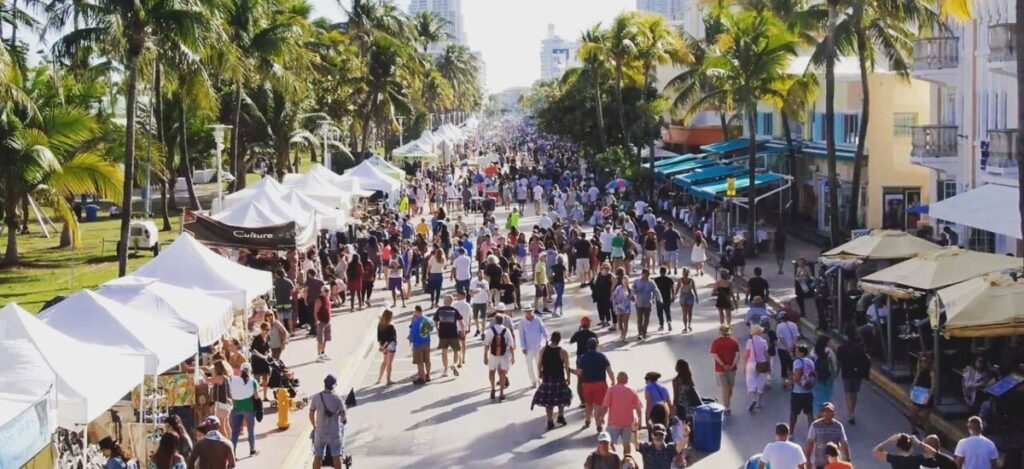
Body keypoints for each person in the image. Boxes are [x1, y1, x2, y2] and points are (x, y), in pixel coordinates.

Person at [531, 331, 573, 431]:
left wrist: (539, 373)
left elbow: (539, 363)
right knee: (561, 398)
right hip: (559, 378)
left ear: (551, 338)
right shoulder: (563, 352)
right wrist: (568, 378)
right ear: (559, 340)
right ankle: (561, 416)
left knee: (548, 401)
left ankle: (550, 421)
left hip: (547, 378)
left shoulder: (544, 350)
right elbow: (567, 366)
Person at [310, 374, 347, 469]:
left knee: (318, 455)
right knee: (336, 455)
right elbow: (343, 414)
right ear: (334, 386)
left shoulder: (316, 397)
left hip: (320, 431)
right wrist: (341, 418)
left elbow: (311, 413)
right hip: (334, 432)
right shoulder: (337, 398)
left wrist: (314, 426)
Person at [578, 337, 614, 431]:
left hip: (587, 385)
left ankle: (587, 420)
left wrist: (570, 370)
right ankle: (599, 425)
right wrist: (613, 382)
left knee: (588, 404)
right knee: (598, 405)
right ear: (596, 346)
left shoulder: (583, 357)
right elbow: (610, 371)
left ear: (587, 347)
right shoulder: (602, 357)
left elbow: (579, 372)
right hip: (600, 384)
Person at [835, 329, 871, 424]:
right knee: (854, 392)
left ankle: (850, 413)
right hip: (857, 373)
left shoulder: (841, 348)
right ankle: (852, 411)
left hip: (846, 372)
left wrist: (837, 372)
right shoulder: (860, 348)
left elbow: (838, 362)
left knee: (848, 392)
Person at [603, 372, 643, 455]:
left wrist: (602, 417)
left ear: (617, 379)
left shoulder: (611, 389)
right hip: (628, 423)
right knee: (627, 445)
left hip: (613, 422)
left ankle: (613, 459)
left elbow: (605, 406)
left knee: (609, 443)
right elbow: (638, 408)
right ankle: (627, 461)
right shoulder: (632, 390)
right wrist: (640, 420)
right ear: (627, 380)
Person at [805, 402, 850, 469]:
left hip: (834, 464)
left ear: (834, 413)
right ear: (821, 413)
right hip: (820, 463)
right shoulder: (815, 425)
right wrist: (808, 460)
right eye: (824, 411)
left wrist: (847, 459)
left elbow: (844, 443)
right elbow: (810, 443)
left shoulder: (838, 426)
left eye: (830, 411)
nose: (827, 413)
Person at [228, 363, 259, 457]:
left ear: (241, 370)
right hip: (249, 408)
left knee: (235, 431)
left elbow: (231, 394)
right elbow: (256, 396)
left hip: (236, 408)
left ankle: (233, 453)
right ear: (250, 371)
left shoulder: (233, 380)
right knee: (250, 430)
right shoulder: (253, 381)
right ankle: (252, 450)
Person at [484, 314, 516, 401]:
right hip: (504, 354)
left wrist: (485, 356)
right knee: (502, 373)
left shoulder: (490, 330)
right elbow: (511, 346)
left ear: (495, 321)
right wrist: (513, 357)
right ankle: (501, 392)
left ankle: (493, 388)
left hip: (493, 354)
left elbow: (486, 344)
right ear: (503, 321)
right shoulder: (506, 330)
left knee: (491, 372)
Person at [710, 324, 740, 415]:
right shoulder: (734, 342)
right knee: (730, 387)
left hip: (720, 369)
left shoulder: (716, 342)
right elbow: (737, 355)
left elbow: (715, 355)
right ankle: (727, 405)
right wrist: (732, 365)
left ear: (720, 332)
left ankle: (726, 405)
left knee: (724, 388)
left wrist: (723, 365)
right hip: (732, 369)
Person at [434, 295, 465, 378]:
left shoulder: (439, 310)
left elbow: (436, 321)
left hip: (443, 334)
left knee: (444, 352)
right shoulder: (454, 310)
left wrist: (437, 330)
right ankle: (454, 364)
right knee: (456, 351)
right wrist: (463, 331)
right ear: (451, 302)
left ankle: (445, 370)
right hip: (453, 333)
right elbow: (461, 322)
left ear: (445, 301)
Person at [519, 306, 549, 388]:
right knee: (529, 366)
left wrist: (547, 338)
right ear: (524, 312)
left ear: (532, 311)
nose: (528, 312)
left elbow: (543, 329)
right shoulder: (522, 322)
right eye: (526, 311)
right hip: (528, 348)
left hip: (538, 346)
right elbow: (521, 335)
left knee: (539, 364)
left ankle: (540, 379)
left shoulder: (537, 320)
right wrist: (523, 347)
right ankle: (533, 381)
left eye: (529, 311)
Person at [871, 433, 940, 469]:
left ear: (898, 447)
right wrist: (918, 442)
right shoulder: (918, 460)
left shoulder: (894, 459)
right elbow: (933, 452)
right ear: (911, 449)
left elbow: (876, 451)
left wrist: (890, 440)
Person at [790, 344, 816, 435]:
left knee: (794, 413)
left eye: (797, 351)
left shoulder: (797, 362)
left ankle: (791, 433)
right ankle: (812, 434)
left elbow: (797, 377)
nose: (795, 353)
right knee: (809, 413)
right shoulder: (811, 362)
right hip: (808, 391)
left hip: (797, 392)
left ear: (802, 352)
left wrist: (788, 382)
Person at [909, 353, 938, 434]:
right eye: (921, 361)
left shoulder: (932, 372)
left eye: (924, 361)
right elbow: (915, 380)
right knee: (912, 414)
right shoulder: (919, 370)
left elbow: (933, 386)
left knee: (925, 418)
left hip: (926, 395)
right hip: (917, 393)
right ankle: (914, 430)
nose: (922, 363)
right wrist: (912, 390)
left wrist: (929, 396)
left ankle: (928, 435)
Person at [632, 268, 663, 340]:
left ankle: (644, 332)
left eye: (648, 274)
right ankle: (639, 333)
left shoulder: (651, 283)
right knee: (639, 319)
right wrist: (635, 291)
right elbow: (632, 290)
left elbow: (656, 291)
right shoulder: (637, 281)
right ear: (642, 274)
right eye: (646, 274)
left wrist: (659, 299)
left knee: (646, 319)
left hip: (647, 304)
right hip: (639, 303)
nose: (647, 275)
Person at [745, 325, 770, 412]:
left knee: (750, 381)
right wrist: (768, 364)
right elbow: (766, 354)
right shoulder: (764, 342)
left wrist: (744, 365)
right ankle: (759, 402)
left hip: (751, 363)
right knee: (761, 382)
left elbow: (747, 354)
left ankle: (753, 399)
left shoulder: (749, 341)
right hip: (762, 363)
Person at [811, 336, 838, 413]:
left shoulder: (813, 351)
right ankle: (827, 412)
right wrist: (835, 375)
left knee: (817, 395)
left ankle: (818, 413)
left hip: (816, 376)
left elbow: (810, 364)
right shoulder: (829, 351)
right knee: (828, 394)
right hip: (828, 376)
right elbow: (834, 364)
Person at [671, 359, 702, 427]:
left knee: (682, 427)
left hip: (681, 407)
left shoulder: (676, 380)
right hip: (690, 407)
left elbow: (676, 396)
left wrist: (673, 408)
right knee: (690, 426)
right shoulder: (688, 379)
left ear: (678, 368)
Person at [408, 305, 433, 385]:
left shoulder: (416, 322)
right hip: (427, 342)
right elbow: (431, 329)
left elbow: (413, 333)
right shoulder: (428, 320)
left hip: (418, 343)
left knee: (420, 361)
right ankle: (428, 375)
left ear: (417, 311)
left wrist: (410, 338)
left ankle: (422, 378)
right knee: (427, 360)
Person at [776, 312, 801, 388]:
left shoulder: (779, 326)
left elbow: (781, 338)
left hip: (783, 349)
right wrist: (792, 346)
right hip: (793, 348)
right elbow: (796, 336)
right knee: (792, 365)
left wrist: (787, 347)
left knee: (784, 365)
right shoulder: (793, 325)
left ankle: (785, 382)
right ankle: (793, 381)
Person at [250, 323, 272, 400]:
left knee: (266, 379)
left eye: (269, 329)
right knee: (257, 380)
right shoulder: (257, 339)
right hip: (257, 362)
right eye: (266, 330)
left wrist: (269, 353)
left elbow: (269, 347)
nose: (268, 331)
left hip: (265, 361)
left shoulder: (268, 337)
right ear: (262, 330)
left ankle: (265, 396)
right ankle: (256, 396)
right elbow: (253, 350)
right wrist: (262, 356)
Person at [376, 309, 397, 386]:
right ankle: (388, 380)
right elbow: (390, 339)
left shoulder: (380, 325)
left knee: (384, 362)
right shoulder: (390, 326)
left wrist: (381, 346)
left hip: (383, 346)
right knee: (389, 363)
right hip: (391, 345)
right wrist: (384, 346)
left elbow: (379, 338)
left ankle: (379, 378)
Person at [612, 268, 632, 341]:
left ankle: (624, 336)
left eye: (626, 281)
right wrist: (616, 301)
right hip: (619, 307)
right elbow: (614, 295)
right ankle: (622, 332)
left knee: (625, 322)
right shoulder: (618, 288)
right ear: (622, 281)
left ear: (627, 282)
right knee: (620, 324)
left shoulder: (630, 289)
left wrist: (630, 296)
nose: (625, 282)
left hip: (627, 308)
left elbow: (633, 299)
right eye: (624, 280)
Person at [314, 285, 333, 363]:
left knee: (326, 338)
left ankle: (323, 353)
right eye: (326, 291)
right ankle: (319, 355)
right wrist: (317, 320)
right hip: (321, 322)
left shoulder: (327, 299)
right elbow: (315, 312)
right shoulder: (319, 300)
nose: (328, 292)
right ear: (322, 291)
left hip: (327, 322)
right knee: (320, 339)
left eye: (328, 291)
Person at [675, 268, 698, 333]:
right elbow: (694, 289)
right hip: (690, 296)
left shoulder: (680, 280)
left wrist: (674, 295)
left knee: (684, 313)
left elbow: (677, 288)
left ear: (683, 272)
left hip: (683, 296)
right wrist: (696, 297)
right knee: (690, 312)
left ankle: (685, 327)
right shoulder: (691, 280)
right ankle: (689, 325)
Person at [592, 262, 614, 328]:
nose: (606, 269)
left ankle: (607, 321)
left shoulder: (610, 275)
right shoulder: (599, 274)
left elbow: (614, 281)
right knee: (600, 307)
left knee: (606, 307)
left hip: (607, 294)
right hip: (599, 293)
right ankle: (602, 320)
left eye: (607, 268)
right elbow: (595, 282)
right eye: (604, 267)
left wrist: (611, 291)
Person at [653, 267, 674, 332]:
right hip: (667, 298)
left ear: (660, 271)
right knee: (667, 311)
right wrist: (673, 296)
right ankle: (669, 321)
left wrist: (653, 298)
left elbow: (654, 290)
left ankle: (661, 325)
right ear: (665, 271)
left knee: (660, 312)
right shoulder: (669, 279)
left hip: (659, 298)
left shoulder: (656, 280)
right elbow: (672, 289)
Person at [470, 271, 490, 336]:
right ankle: (478, 329)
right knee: (475, 317)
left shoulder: (485, 282)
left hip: (483, 302)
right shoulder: (473, 282)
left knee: (484, 317)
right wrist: (474, 292)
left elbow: (488, 291)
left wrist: (489, 300)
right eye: (480, 274)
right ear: (477, 275)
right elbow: (470, 292)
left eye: (482, 274)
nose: (481, 275)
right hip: (475, 302)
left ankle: (483, 332)